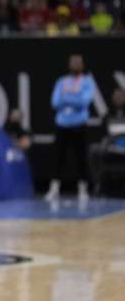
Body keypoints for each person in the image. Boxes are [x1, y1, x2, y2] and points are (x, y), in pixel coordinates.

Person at [47, 54, 97, 201]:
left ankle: (83, 190)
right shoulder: (62, 81)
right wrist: (74, 97)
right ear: (69, 65)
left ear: (82, 65)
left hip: (79, 125)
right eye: (73, 62)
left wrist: (67, 97)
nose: (75, 65)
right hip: (62, 124)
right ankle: (54, 189)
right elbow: (55, 102)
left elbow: (84, 102)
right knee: (58, 158)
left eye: (78, 63)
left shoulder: (87, 82)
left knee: (81, 158)